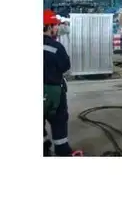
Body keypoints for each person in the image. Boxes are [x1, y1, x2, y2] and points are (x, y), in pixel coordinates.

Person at [43, 9, 78, 157]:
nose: (57, 28)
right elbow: (65, 66)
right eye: (55, 25)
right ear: (49, 26)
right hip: (54, 93)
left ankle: (44, 149)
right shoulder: (56, 47)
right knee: (59, 121)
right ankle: (62, 151)